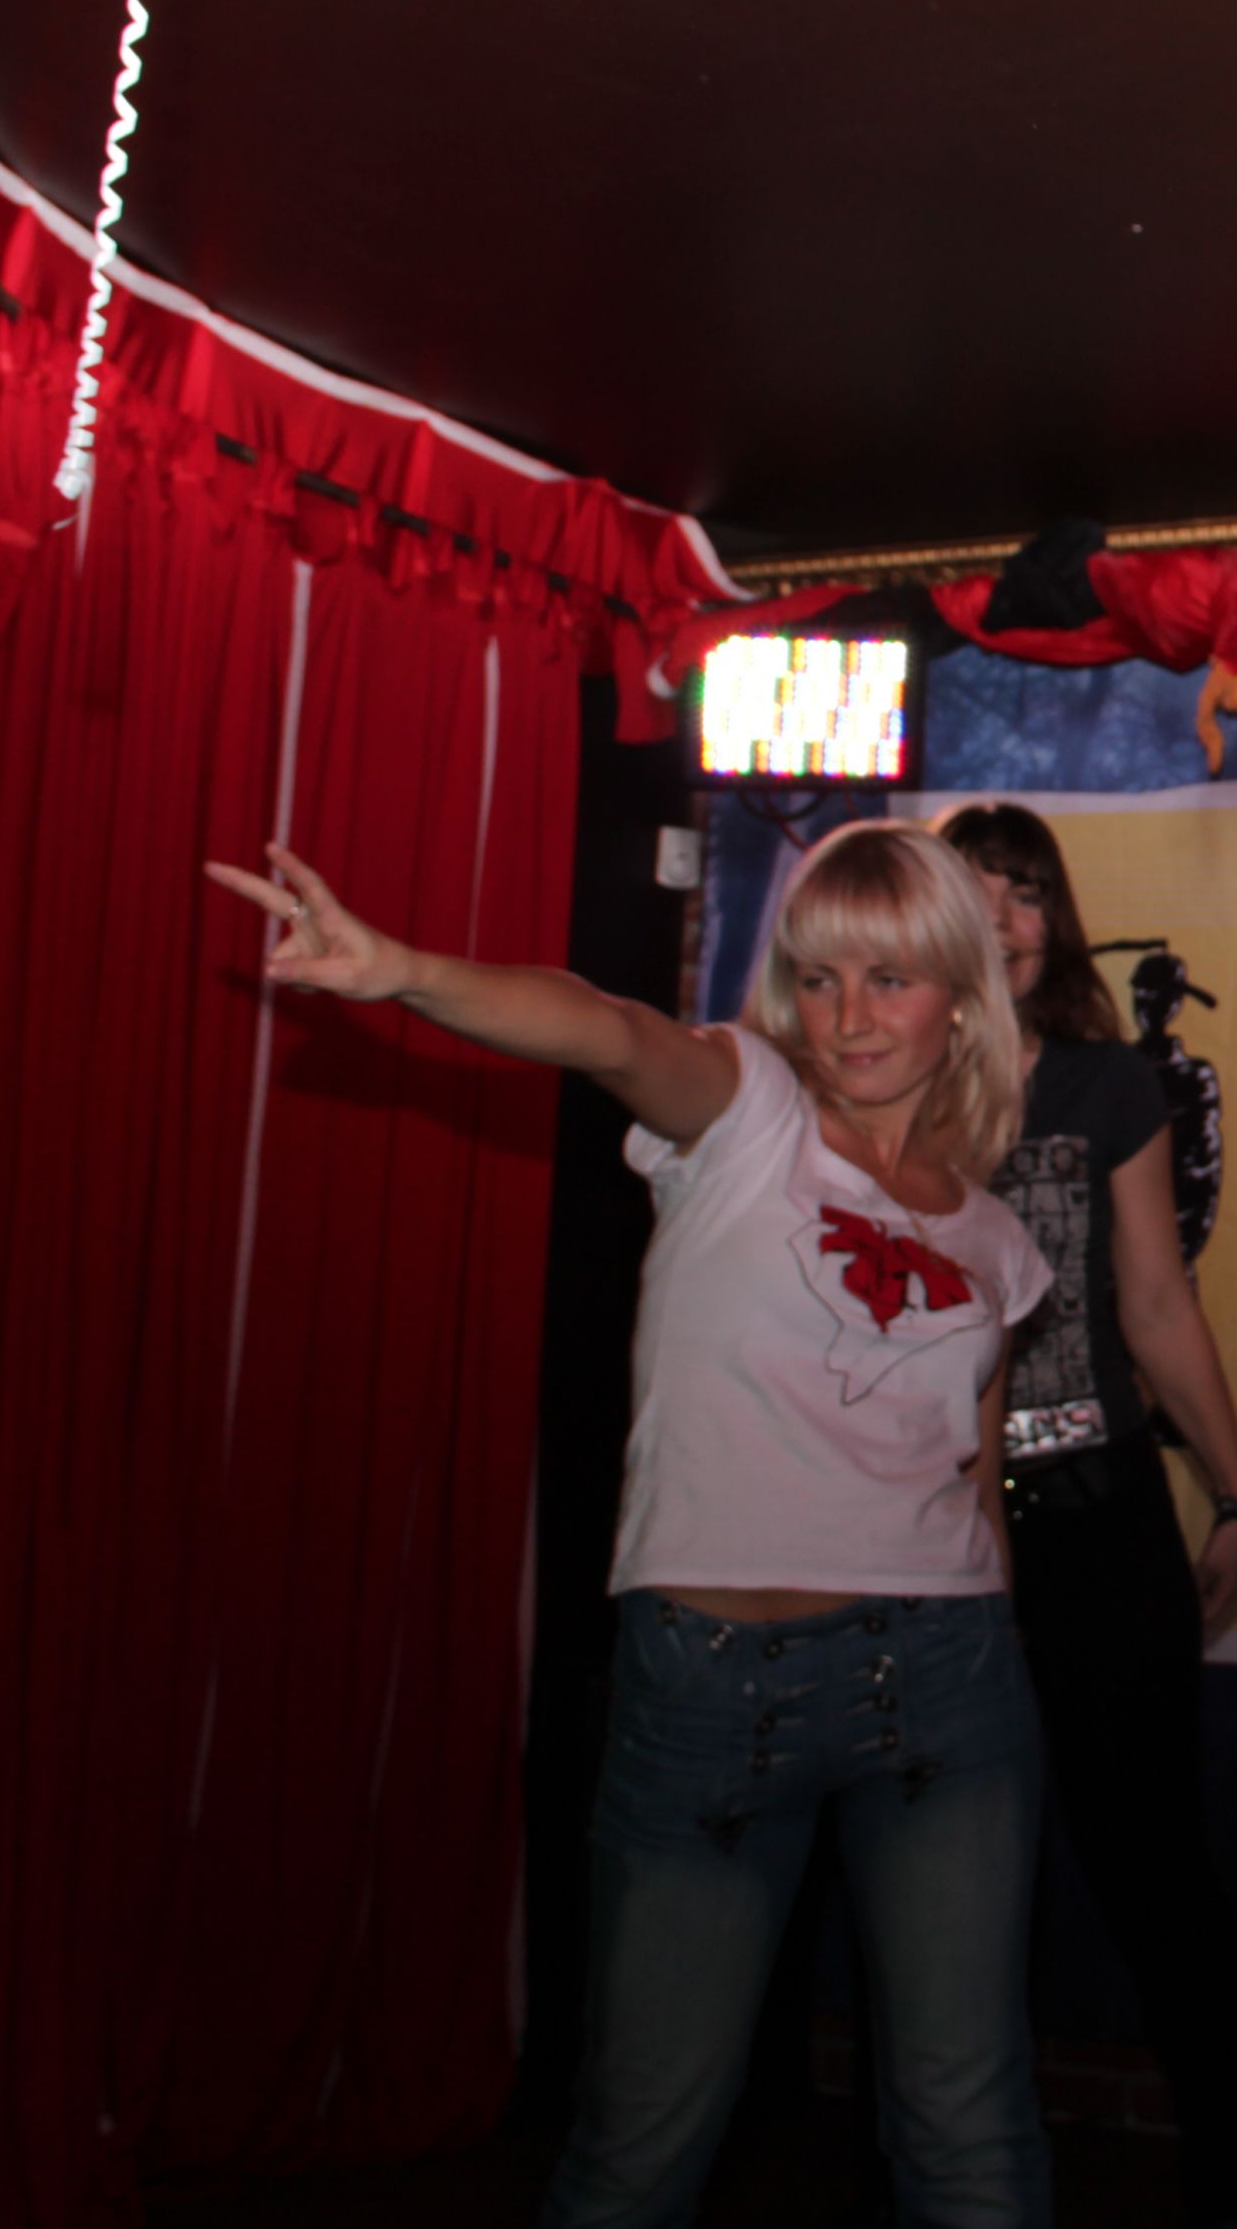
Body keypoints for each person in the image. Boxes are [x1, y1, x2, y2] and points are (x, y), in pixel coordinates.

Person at [205, 823, 1056, 2229]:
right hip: (712, 1684)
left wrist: (1000, 1648)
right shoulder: (748, 1110)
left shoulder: (993, 1239)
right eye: (820, 977)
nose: (848, 1016)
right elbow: (602, 1025)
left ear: (961, 1001)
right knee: (643, 2143)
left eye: (890, 979)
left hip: (947, 1682)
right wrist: (405, 970)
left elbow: (972, 1482)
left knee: (970, 2130)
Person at [932, 803, 1237, 2229]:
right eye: (972, 892)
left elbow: (1156, 1303)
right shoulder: (878, 1084)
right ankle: (960, 2177)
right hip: (931, 1534)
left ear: (1056, 922)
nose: (1002, 918)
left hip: (1099, 1516)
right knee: (950, 1881)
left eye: (1025, 893)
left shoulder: (1106, 1083)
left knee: (1155, 1866)